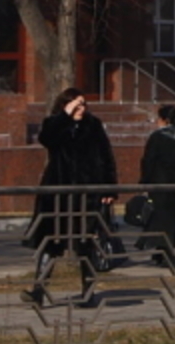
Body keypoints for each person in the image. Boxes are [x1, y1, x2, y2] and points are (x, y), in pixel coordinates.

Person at [21, 88, 118, 308]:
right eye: (76, 104)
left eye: (83, 104)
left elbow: (106, 156)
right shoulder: (55, 124)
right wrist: (65, 115)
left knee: (85, 244)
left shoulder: (93, 126)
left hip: (86, 194)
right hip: (57, 193)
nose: (81, 109)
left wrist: (109, 189)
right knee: (51, 244)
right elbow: (47, 140)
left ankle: (88, 292)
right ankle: (38, 290)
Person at [137, 105, 175, 267]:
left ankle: (165, 251)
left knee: (160, 216)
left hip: (161, 183)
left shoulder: (157, 137)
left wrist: (145, 180)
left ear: (164, 120)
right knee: (174, 217)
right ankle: (163, 250)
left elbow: (148, 160)